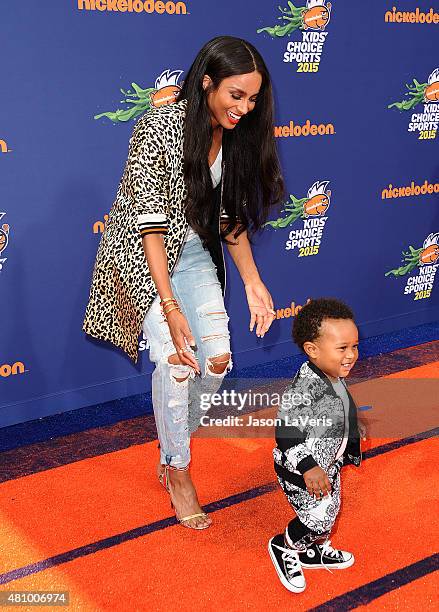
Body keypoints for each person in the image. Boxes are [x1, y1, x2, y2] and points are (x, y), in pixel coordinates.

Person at [83, 36, 284, 530]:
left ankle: (171, 441)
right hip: (142, 254)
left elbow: (230, 218)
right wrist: (169, 308)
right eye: (236, 96)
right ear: (208, 83)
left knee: (216, 363)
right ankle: (178, 470)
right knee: (176, 363)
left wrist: (253, 283)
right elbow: (149, 225)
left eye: (253, 99)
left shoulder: (234, 136)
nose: (245, 108)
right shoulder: (160, 126)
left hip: (193, 253)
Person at [268, 298, 366, 593]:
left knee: (330, 510)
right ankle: (285, 545)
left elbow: (342, 404)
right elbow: (285, 432)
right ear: (312, 350)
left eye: (355, 346)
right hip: (301, 472)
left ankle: (314, 551)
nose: (351, 355)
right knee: (319, 517)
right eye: (342, 348)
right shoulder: (304, 388)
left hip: (327, 465)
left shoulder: (333, 373)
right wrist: (309, 467)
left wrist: (353, 427)